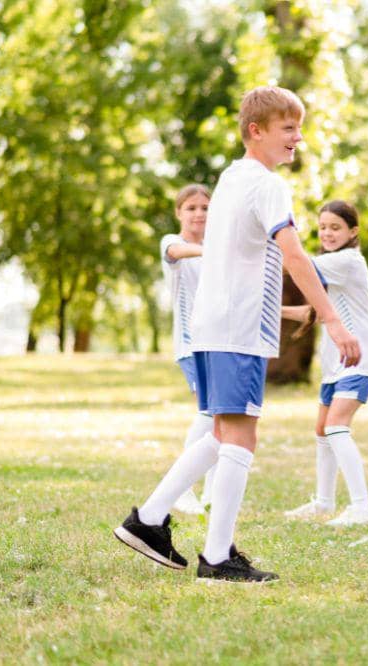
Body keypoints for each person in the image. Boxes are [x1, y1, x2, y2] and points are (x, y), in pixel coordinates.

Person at [114, 85, 360, 583]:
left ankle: (150, 519)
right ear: (257, 131)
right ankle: (218, 557)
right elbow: (293, 253)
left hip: (210, 327)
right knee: (240, 438)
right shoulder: (267, 184)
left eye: (299, 128)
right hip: (238, 327)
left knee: (221, 430)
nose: (297, 138)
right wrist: (332, 319)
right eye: (288, 129)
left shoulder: (231, 176)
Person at [283, 200, 368, 527]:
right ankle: (324, 502)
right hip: (335, 363)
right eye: (323, 227)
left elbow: (293, 263)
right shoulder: (331, 265)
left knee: (336, 426)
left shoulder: (348, 261)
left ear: (353, 232)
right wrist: (270, 308)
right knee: (322, 431)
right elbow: (311, 313)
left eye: (335, 227)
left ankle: (362, 507)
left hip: (360, 356)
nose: (327, 233)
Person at [160, 184, 213, 516]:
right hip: (191, 345)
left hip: (218, 343)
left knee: (220, 417)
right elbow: (177, 253)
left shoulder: (213, 250)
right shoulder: (172, 242)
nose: (198, 213)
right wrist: (219, 250)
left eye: (205, 208)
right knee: (209, 413)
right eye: (191, 207)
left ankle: (210, 493)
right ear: (179, 212)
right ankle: (181, 490)